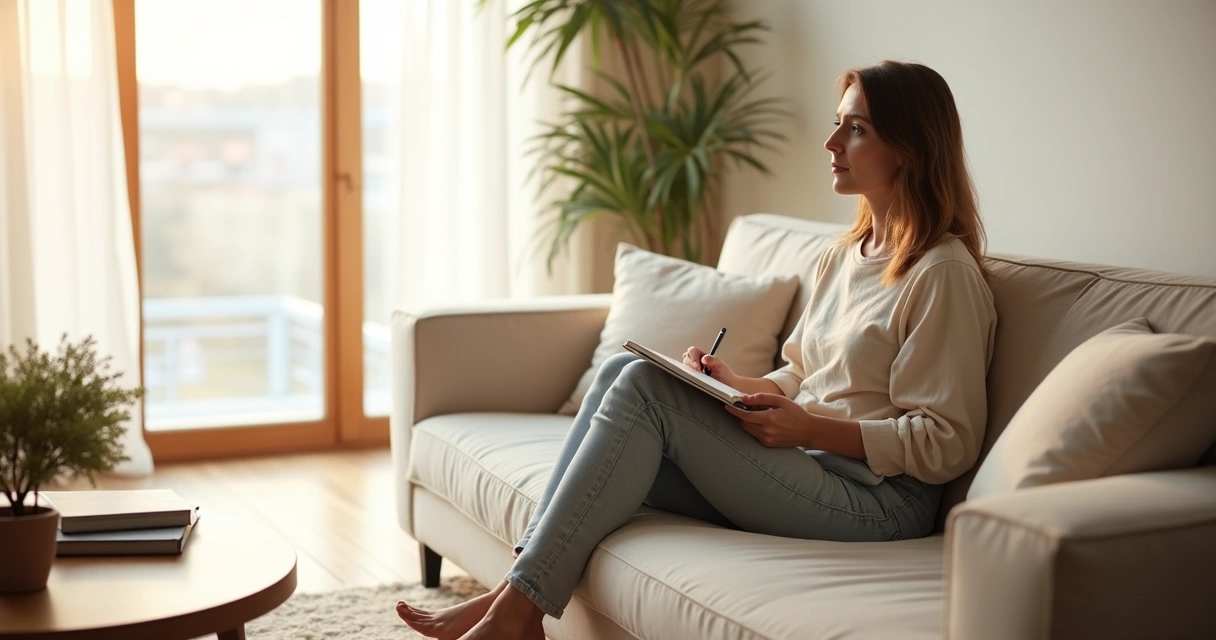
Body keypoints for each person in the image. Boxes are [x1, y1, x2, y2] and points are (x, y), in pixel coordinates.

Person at [395, 60, 998, 640]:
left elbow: (946, 441)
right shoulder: (844, 254)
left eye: (856, 128)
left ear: (909, 149)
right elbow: (802, 374)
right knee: (621, 371)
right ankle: (515, 594)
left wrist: (807, 427)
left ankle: (518, 607)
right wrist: (736, 384)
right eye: (839, 121)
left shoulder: (941, 274)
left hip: (878, 500)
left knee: (643, 390)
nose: (831, 141)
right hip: (806, 463)